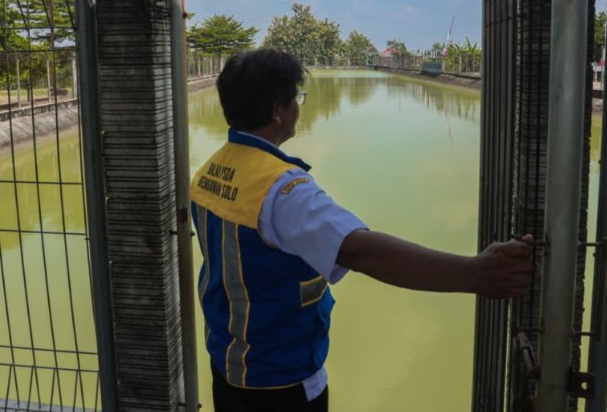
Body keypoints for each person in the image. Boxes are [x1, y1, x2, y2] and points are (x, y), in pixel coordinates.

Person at [189, 49, 533, 412]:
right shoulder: (282, 190)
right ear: (279, 110)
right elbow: (359, 250)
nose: (297, 107)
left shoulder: (212, 170)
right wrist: (475, 273)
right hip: (279, 379)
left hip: (228, 363)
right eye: (296, 99)